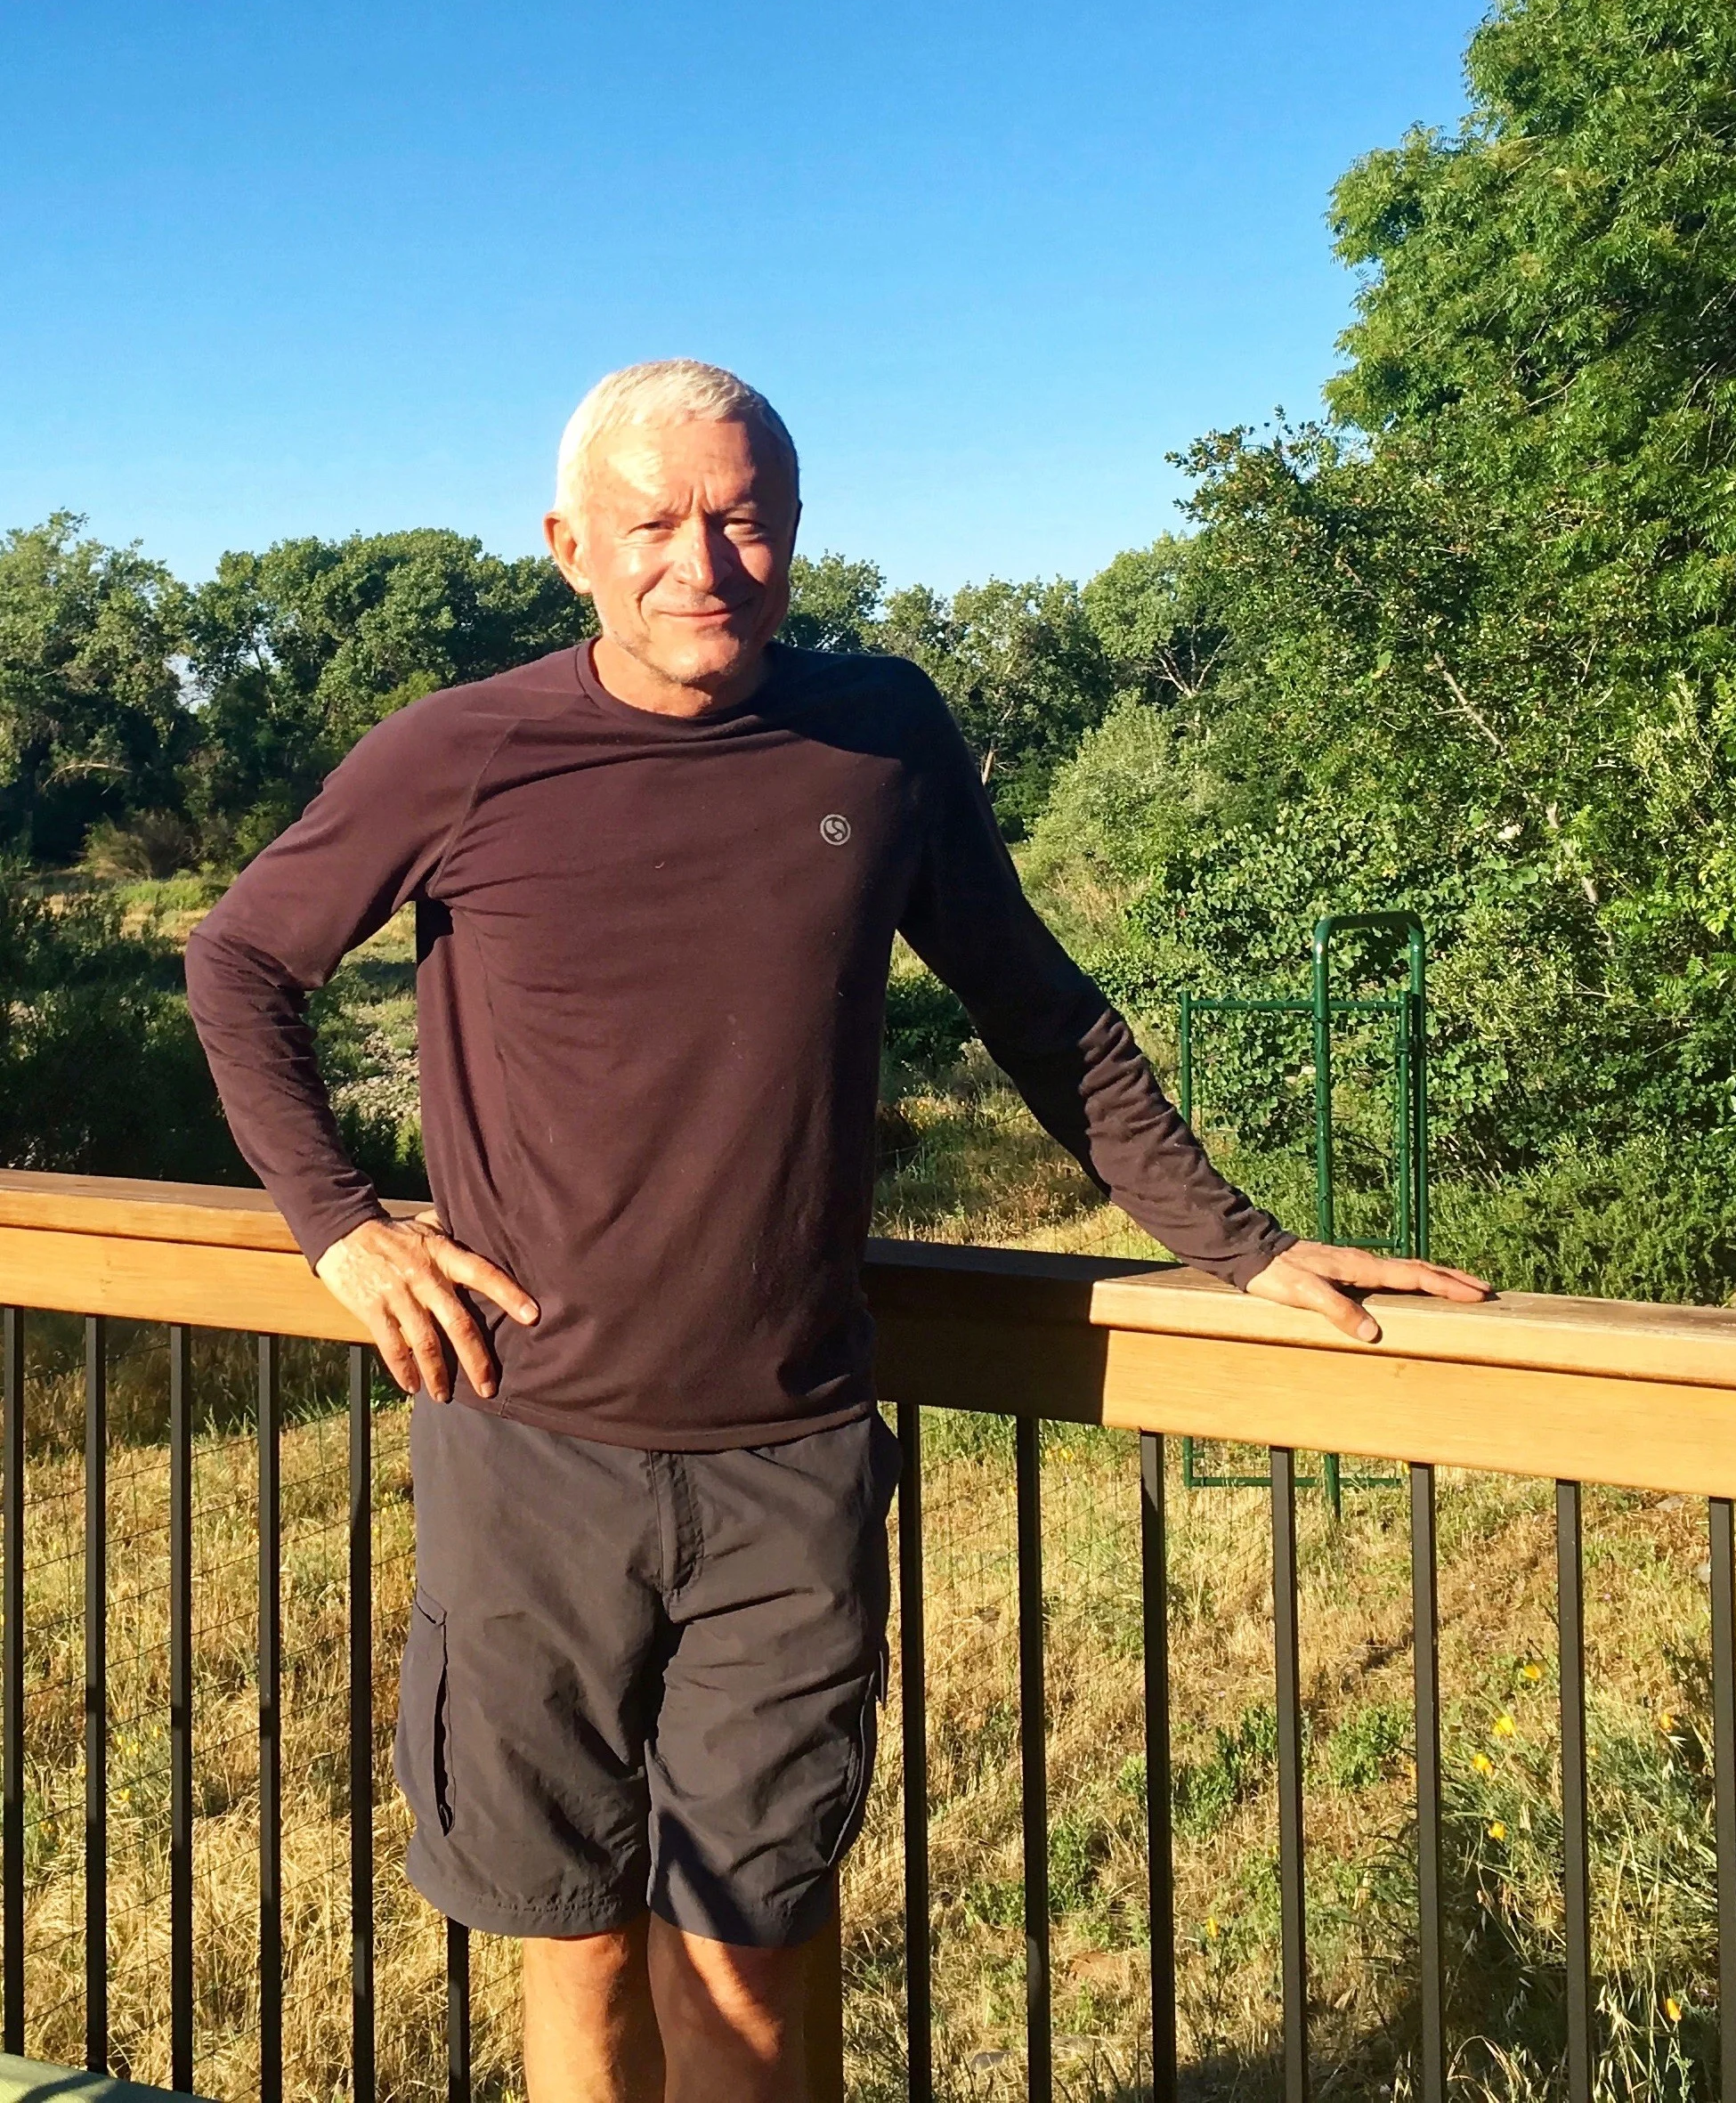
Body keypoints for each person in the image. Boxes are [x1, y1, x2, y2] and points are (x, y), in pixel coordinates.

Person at [185, 359, 1490, 2102]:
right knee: (571, 1942)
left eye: (744, 521)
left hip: (788, 1456)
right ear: (571, 542)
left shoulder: (877, 738)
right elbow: (241, 959)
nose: (701, 564)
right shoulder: (465, 750)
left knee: (759, 1952)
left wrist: (1243, 1245)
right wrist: (341, 1224)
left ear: (793, 535)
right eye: (654, 524)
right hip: (529, 1444)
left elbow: (1045, 1013)